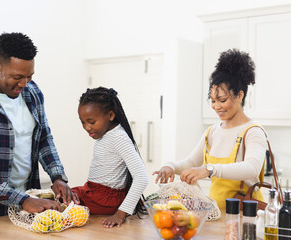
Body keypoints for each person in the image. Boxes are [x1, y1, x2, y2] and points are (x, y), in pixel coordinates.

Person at [0, 32, 78, 221]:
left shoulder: (32, 93)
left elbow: (43, 138)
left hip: (30, 204)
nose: (24, 84)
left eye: (29, 76)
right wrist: (21, 199)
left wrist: (57, 176)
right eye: (17, 76)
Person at [153, 49, 268, 208]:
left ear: (240, 95)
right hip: (215, 210)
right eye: (213, 100)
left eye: (222, 100)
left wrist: (209, 169)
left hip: (244, 212)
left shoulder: (253, 131)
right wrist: (170, 166)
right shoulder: (212, 132)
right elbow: (191, 162)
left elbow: (252, 168)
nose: (216, 106)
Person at [74, 87, 148, 228]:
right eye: (82, 122)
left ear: (111, 115)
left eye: (91, 122)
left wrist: (120, 214)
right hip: (94, 192)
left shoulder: (118, 137)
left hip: (104, 199)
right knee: (61, 195)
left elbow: (141, 177)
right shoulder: (108, 134)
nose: (86, 127)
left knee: (58, 202)